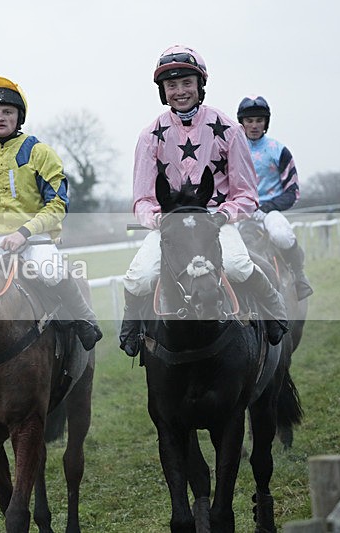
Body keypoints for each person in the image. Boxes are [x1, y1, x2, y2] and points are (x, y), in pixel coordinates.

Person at [118, 45, 288, 357]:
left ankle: (274, 308)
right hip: (171, 223)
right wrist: (156, 219)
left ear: (200, 86)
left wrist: (223, 216)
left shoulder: (229, 130)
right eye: (172, 85)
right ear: (162, 91)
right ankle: (132, 327)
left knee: (237, 265)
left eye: (186, 83)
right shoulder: (149, 136)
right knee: (139, 277)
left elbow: (247, 193)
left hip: (214, 219)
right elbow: (142, 198)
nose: (180, 91)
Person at [0, 75, 102, 351]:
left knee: (51, 270)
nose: (0, 117)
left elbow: (57, 204)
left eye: (7, 112)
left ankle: (84, 320)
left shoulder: (39, 152)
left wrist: (24, 233)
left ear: (19, 117)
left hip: (35, 240)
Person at [237, 95, 313, 300]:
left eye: (259, 120)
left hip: (269, 211)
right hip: (239, 212)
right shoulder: (231, 150)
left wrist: (267, 207)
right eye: (249, 121)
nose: (254, 125)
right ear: (242, 122)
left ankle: (299, 276)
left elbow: (292, 191)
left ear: (266, 123)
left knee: (282, 235)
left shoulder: (279, 151)